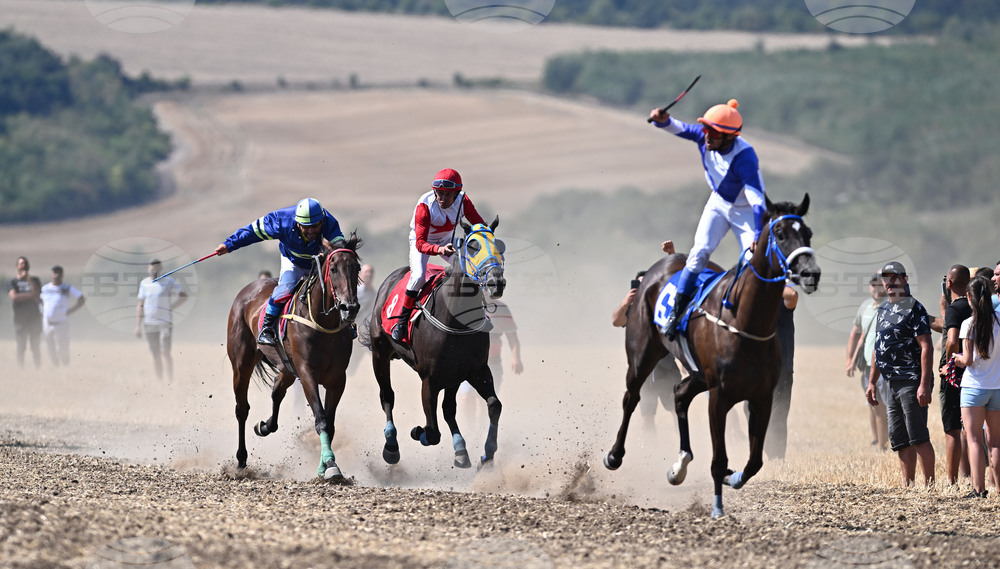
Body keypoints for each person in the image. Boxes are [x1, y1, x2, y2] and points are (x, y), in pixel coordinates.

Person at [649, 99, 766, 340]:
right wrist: (663, 122)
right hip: (718, 203)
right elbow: (681, 128)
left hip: (745, 211)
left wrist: (757, 234)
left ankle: (744, 317)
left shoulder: (745, 157)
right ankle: (677, 314)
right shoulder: (704, 136)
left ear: (729, 137)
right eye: (706, 130)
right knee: (699, 252)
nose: (707, 136)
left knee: (751, 259)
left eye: (713, 133)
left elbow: (757, 199)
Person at [215, 198, 346, 346]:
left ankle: (348, 324)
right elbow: (252, 231)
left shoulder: (330, 222)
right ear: (297, 222)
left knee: (339, 285)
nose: (311, 230)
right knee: (286, 286)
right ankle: (267, 328)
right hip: (293, 261)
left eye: (315, 225)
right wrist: (229, 244)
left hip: (319, 263)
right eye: (306, 226)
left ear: (322, 220)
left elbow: (340, 249)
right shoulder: (280, 221)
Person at [391, 168, 486, 343]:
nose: (441, 198)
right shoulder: (425, 206)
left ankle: (481, 313)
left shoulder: (463, 201)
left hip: (447, 239)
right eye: (439, 193)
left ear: (457, 194)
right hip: (422, 241)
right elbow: (420, 243)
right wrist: (439, 250)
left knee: (473, 270)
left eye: (447, 195)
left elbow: (478, 224)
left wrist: (484, 238)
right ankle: (401, 323)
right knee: (418, 276)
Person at [866, 261, 936, 487]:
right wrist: (871, 383)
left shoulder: (915, 308)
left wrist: (924, 385)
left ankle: (930, 486)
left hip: (912, 380)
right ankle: (908, 485)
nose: (889, 282)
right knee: (899, 438)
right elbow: (879, 348)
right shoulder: (884, 309)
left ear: (905, 280)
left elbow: (926, 346)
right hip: (890, 382)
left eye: (894, 277)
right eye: (886, 278)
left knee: (917, 436)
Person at [952, 275, 1000, 498]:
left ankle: (979, 489)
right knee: (996, 443)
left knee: (974, 440)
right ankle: (998, 488)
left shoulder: (968, 324)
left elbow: (968, 360)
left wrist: (955, 358)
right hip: (998, 387)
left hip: (974, 388)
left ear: (969, 297)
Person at [936, 265, 972, 486]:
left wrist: (950, 365)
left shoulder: (955, 309)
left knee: (952, 428)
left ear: (949, 283)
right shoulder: (976, 306)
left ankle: (952, 481)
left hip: (955, 374)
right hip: (976, 371)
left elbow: (951, 339)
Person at [846, 272, 889, 450]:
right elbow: (855, 333)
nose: (877, 288)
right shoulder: (865, 306)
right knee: (871, 403)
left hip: (885, 365)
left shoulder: (891, 306)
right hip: (867, 365)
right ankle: (876, 439)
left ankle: (883, 444)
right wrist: (849, 359)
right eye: (874, 285)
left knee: (883, 405)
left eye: (880, 284)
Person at [136, 259, 188, 381]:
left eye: (157, 268)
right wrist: (137, 325)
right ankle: (159, 380)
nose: (154, 271)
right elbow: (140, 305)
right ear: (148, 269)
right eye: (152, 268)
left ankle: (170, 380)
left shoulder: (169, 281)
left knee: (165, 352)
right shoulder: (144, 284)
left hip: (165, 322)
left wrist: (172, 307)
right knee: (155, 354)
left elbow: (183, 295)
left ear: (161, 269)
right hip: (149, 323)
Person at [765, 283, 799, 459]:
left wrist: (767, 281)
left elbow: (793, 295)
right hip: (757, 369)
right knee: (750, 412)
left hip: (781, 368)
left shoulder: (783, 297)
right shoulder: (755, 301)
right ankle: (765, 451)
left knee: (778, 414)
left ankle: (777, 459)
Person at [39, 265, 85, 367]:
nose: (56, 275)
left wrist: (72, 310)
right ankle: (55, 366)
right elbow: (40, 301)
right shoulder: (45, 288)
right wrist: (42, 312)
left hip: (61, 323)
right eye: (54, 273)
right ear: (51, 274)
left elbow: (81, 298)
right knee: (50, 346)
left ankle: (65, 364)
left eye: (59, 273)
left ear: (62, 275)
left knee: (61, 347)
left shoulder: (67, 288)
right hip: (47, 322)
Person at [8, 256, 42, 368]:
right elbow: (14, 297)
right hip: (20, 320)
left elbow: (37, 294)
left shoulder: (35, 280)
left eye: (25, 263)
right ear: (17, 266)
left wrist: (28, 279)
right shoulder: (13, 282)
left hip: (34, 318)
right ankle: (20, 369)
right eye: (21, 263)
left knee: (35, 347)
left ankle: (38, 368)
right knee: (21, 347)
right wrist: (30, 295)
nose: (24, 265)